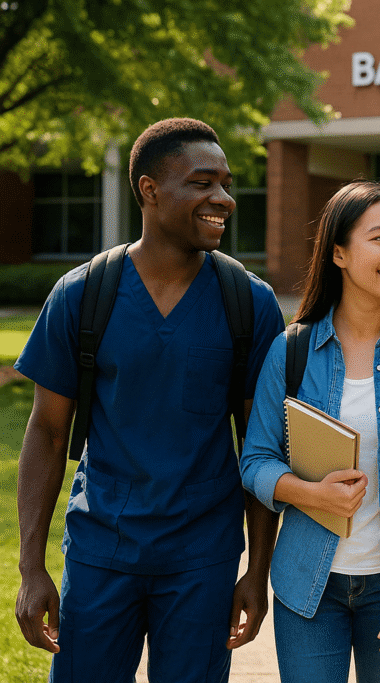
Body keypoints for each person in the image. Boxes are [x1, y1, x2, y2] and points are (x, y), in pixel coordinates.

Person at [14, 118, 285, 682]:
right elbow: (45, 432)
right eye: (203, 183)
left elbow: (263, 446)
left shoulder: (249, 304)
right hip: (100, 553)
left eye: (226, 183)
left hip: (202, 560)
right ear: (149, 190)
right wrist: (32, 566)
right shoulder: (83, 294)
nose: (223, 199)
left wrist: (257, 571)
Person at [239, 180, 380, 682]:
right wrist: (309, 493)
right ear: (338, 253)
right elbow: (255, 461)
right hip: (308, 588)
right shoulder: (291, 350)